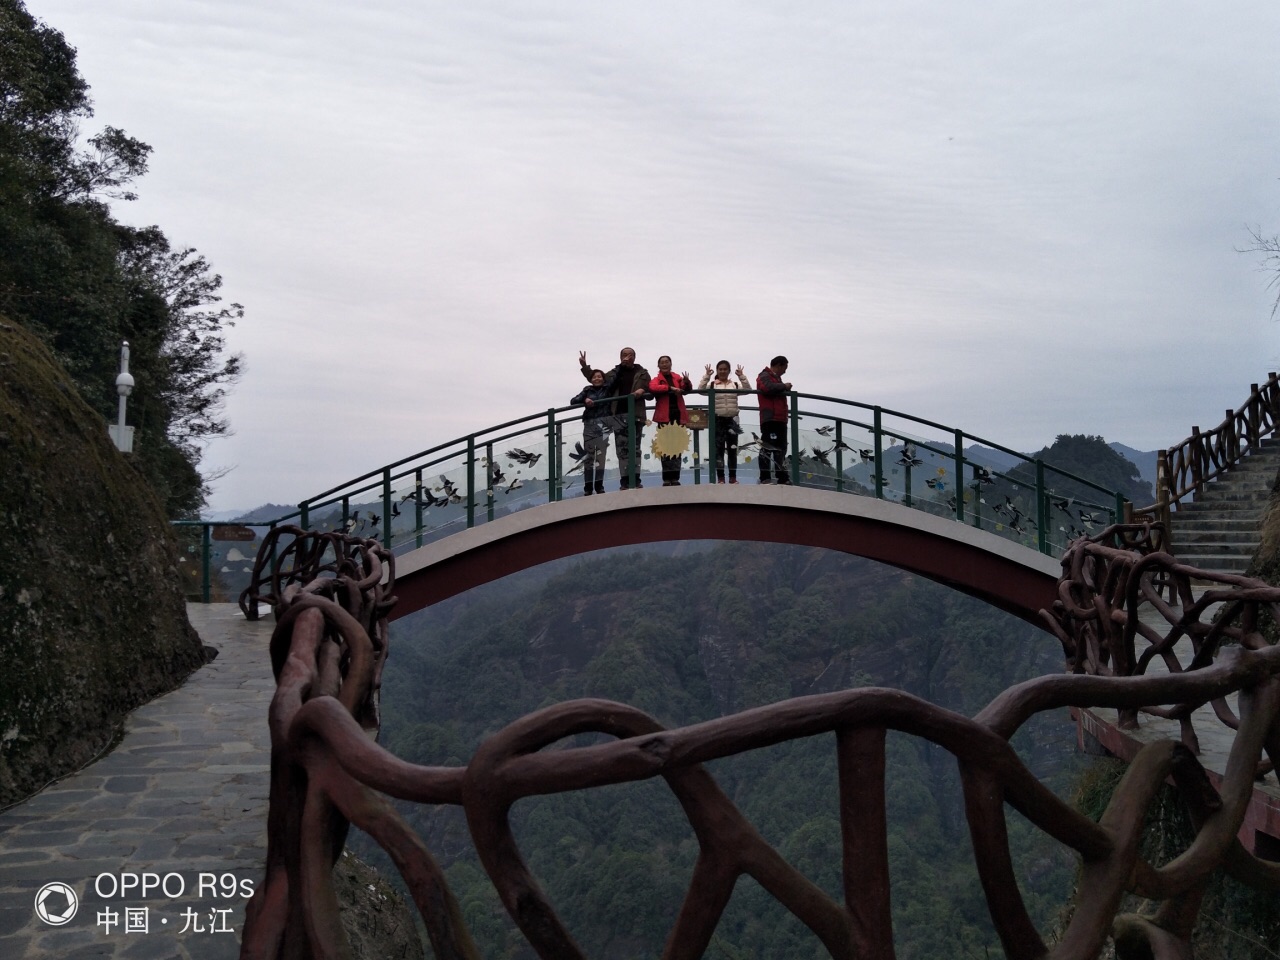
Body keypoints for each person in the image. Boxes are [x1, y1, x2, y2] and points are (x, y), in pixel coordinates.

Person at [579, 347, 651, 489]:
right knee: (622, 449)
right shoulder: (613, 373)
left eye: (630, 355)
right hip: (617, 415)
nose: (627, 357)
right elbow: (597, 380)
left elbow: (649, 387)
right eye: (624, 355)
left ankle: (636, 479)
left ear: (635, 357)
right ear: (620, 357)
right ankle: (624, 480)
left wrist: (642, 390)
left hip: (636, 414)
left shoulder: (642, 373)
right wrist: (585, 367)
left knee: (635, 448)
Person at [698, 360, 751, 483]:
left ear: (729, 371)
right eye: (720, 369)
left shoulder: (735, 385)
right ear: (717, 371)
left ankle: (733, 478)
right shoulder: (713, 385)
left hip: (733, 420)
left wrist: (741, 376)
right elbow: (700, 390)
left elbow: (748, 390)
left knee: (732, 449)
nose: (722, 371)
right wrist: (707, 376)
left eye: (725, 369)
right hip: (718, 419)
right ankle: (720, 478)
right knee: (719, 450)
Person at [570, 369, 615, 495]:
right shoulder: (587, 390)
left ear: (603, 378)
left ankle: (599, 486)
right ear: (591, 379)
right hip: (590, 424)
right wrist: (584, 400)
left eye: (599, 376)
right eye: (594, 377)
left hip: (604, 425)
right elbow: (573, 401)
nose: (597, 379)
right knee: (589, 457)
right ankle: (588, 488)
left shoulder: (608, 389)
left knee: (601, 457)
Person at [649, 356, 692, 485]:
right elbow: (653, 388)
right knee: (665, 448)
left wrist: (687, 382)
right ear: (658, 366)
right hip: (664, 417)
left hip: (678, 416)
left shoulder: (677, 377)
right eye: (662, 363)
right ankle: (667, 478)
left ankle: (675, 477)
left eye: (667, 362)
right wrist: (671, 388)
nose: (664, 364)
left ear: (671, 364)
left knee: (677, 447)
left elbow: (686, 389)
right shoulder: (656, 379)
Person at [756, 355, 792, 484]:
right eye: (784, 368)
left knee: (781, 448)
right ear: (778, 365)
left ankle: (781, 476)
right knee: (767, 446)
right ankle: (765, 476)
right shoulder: (764, 375)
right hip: (770, 418)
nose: (785, 371)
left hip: (779, 419)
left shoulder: (775, 378)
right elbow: (767, 388)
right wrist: (784, 386)